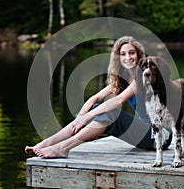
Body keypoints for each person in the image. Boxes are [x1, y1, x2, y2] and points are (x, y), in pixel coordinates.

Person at [25, 36, 172, 158]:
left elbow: (118, 100)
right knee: (95, 108)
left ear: (139, 55)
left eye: (132, 53)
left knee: (110, 113)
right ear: (118, 57)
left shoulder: (143, 76)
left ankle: (63, 148)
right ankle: (47, 143)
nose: (128, 57)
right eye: (123, 54)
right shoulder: (123, 78)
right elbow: (95, 98)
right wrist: (81, 117)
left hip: (160, 135)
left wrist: (87, 116)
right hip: (146, 133)